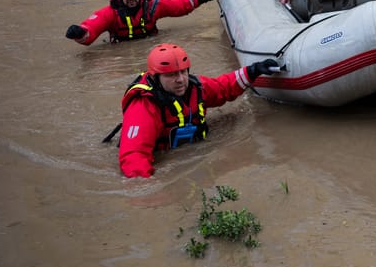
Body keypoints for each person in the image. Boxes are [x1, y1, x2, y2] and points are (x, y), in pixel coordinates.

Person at [118, 43, 278, 178]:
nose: (180, 80)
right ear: (155, 78)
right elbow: (133, 156)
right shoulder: (143, 106)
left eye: (183, 72)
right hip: (165, 155)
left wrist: (253, 70)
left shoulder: (196, 87)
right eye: (172, 75)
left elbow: (224, 87)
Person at [65, 0, 220, 45]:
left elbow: (179, 6)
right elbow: (91, 30)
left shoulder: (153, 6)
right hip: (121, 49)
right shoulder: (109, 14)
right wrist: (80, 32)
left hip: (151, 43)